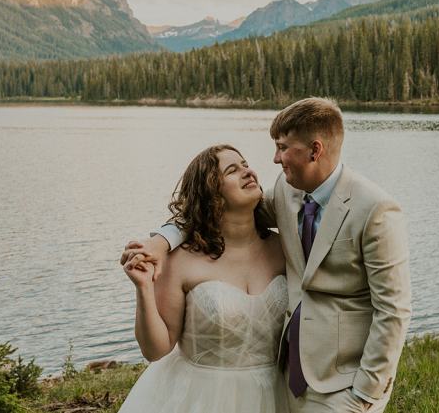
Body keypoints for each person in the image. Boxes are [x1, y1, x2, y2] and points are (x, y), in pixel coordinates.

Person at [123, 98, 412, 413]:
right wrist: (160, 243)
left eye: (282, 147)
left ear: (314, 150)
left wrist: (368, 392)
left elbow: (393, 309)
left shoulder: (373, 209)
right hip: (255, 388)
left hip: (338, 381)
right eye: (233, 169)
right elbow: (201, 212)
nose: (270, 161)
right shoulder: (286, 194)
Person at [117, 144, 289, 413]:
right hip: (200, 397)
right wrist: (144, 289)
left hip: (275, 394)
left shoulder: (284, 248)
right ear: (211, 193)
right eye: (232, 170)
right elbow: (156, 350)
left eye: (245, 165)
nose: (248, 172)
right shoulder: (180, 260)